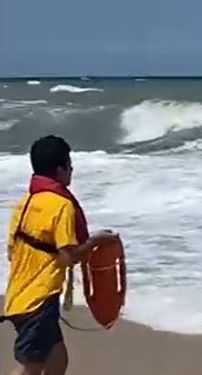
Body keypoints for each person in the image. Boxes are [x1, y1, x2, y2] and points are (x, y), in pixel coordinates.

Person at [1, 135, 118, 375]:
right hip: (39, 301)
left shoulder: (25, 203)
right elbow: (68, 256)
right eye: (70, 165)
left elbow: (13, 253)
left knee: (57, 360)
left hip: (18, 297)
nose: (72, 170)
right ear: (60, 169)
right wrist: (95, 241)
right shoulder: (61, 206)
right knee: (30, 366)